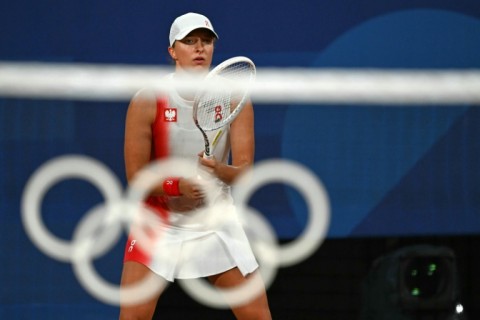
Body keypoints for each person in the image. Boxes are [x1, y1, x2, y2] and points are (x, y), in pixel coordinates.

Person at [119, 12, 272, 320]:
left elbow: (245, 172)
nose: (199, 48)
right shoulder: (148, 99)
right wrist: (176, 187)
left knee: (257, 316)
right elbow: (136, 178)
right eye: (189, 42)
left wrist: (219, 171)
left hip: (214, 221)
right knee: (132, 317)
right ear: (172, 51)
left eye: (206, 41)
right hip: (158, 222)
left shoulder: (234, 99)